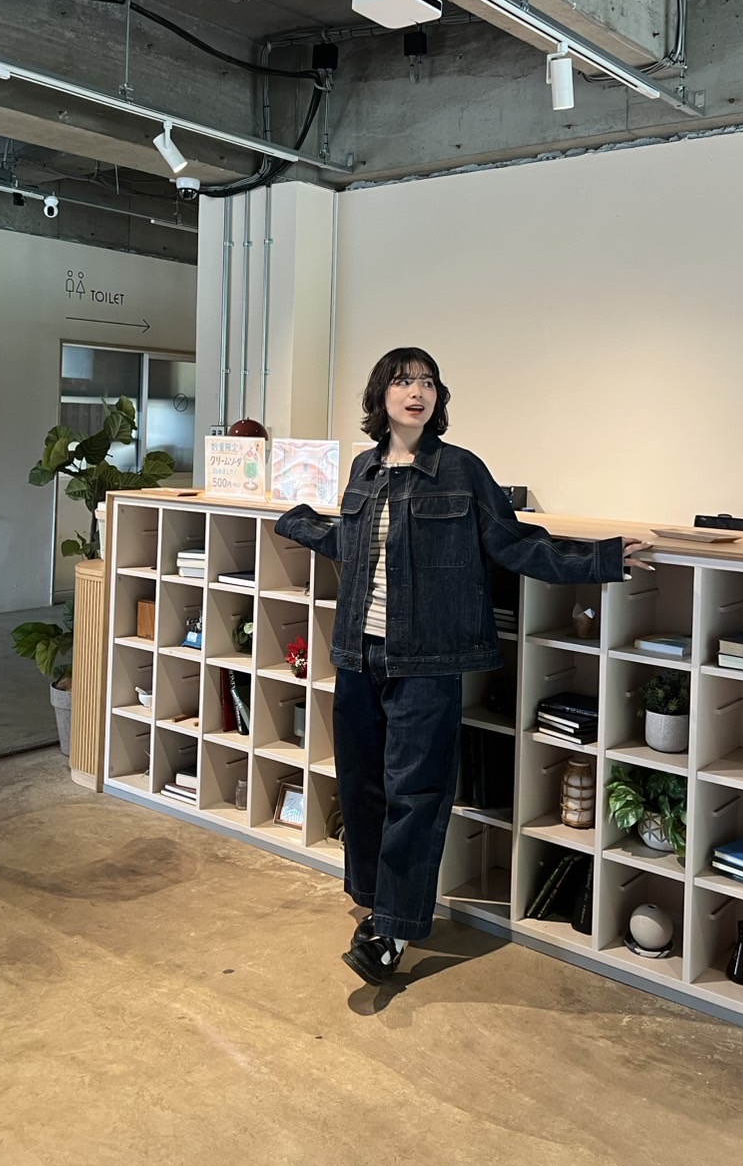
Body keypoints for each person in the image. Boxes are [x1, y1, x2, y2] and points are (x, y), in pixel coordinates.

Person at [275, 347, 652, 986]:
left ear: (438, 397)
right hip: (359, 654)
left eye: (426, 382)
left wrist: (601, 560)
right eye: (403, 382)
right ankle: (374, 903)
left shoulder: (461, 470)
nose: (416, 392)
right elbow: (352, 543)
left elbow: (514, 543)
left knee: (416, 792)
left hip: (428, 658)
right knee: (362, 786)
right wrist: (300, 524)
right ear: (381, 396)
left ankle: (392, 930)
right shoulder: (365, 469)